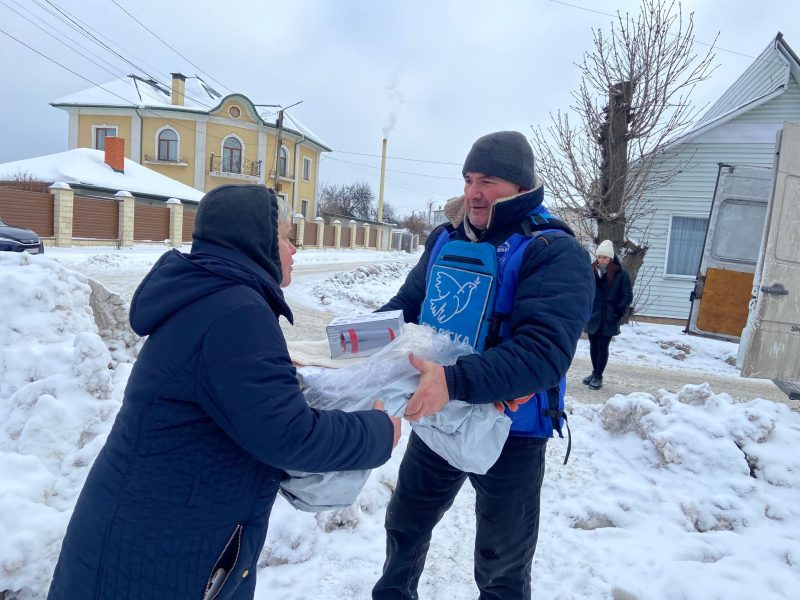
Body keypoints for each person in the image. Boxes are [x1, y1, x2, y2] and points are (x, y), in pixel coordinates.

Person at [47, 184, 401, 600]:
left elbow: (235, 393)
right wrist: (378, 431)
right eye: (287, 238)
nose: (294, 250)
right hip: (155, 549)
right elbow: (289, 436)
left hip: (158, 527)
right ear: (259, 243)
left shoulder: (216, 295)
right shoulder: (237, 312)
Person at [372, 131, 594, 600]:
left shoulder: (553, 251)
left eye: (488, 180)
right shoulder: (447, 239)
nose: (473, 192)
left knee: (502, 564)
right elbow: (408, 305)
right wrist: (357, 341)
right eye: (469, 178)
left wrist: (453, 381)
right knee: (404, 526)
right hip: (440, 415)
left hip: (511, 429)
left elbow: (544, 352)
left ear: (520, 187)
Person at [582, 239, 633, 390]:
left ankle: (598, 376)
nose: (601, 260)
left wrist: (618, 310)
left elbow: (627, 295)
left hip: (610, 316)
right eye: (599, 257)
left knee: (603, 346)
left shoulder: (620, 274)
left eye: (605, 257)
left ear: (611, 258)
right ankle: (594, 372)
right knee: (593, 345)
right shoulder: (591, 271)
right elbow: (584, 291)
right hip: (594, 315)